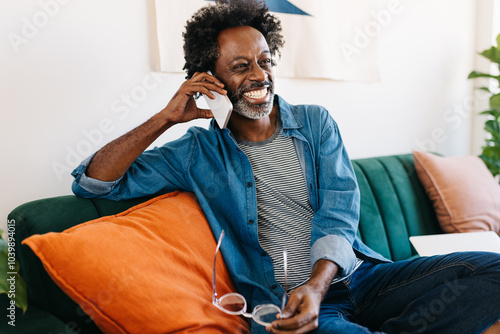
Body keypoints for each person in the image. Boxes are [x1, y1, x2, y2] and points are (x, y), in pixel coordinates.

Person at [72, 1, 500, 333]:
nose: (261, 75)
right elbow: (94, 183)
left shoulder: (316, 123)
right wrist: (164, 118)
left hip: (361, 277)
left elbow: (339, 211)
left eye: (265, 60)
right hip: (286, 303)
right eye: (241, 67)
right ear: (210, 80)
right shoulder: (196, 152)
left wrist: (316, 286)